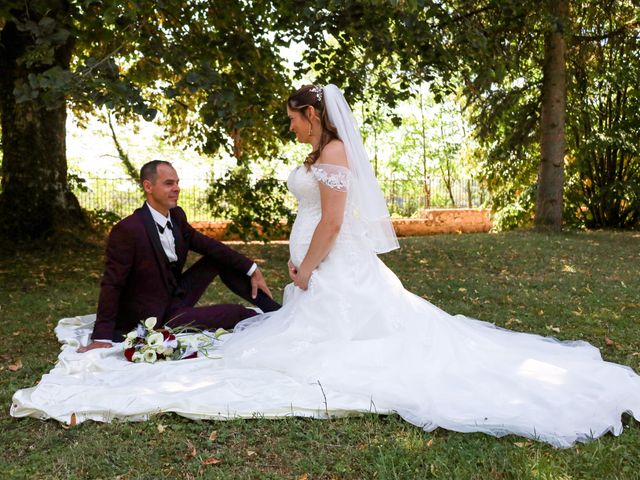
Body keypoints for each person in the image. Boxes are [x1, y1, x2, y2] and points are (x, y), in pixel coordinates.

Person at [11, 86, 640, 450]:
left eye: (292, 119)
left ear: (313, 116)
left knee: (339, 339)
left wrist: (306, 266)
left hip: (333, 263)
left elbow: (335, 222)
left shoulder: (334, 150)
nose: (290, 128)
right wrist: (284, 258)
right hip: (312, 260)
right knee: (288, 328)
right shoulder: (319, 152)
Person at [77, 160, 280, 352]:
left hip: (177, 294)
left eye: (177, 183)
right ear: (148, 186)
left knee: (216, 258)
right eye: (168, 183)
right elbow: (112, 284)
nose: (176, 188)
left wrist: (252, 268)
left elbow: (210, 247)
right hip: (156, 317)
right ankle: (271, 321)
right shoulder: (128, 230)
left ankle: (277, 312)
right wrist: (101, 337)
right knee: (236, 313)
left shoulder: (177, 216)